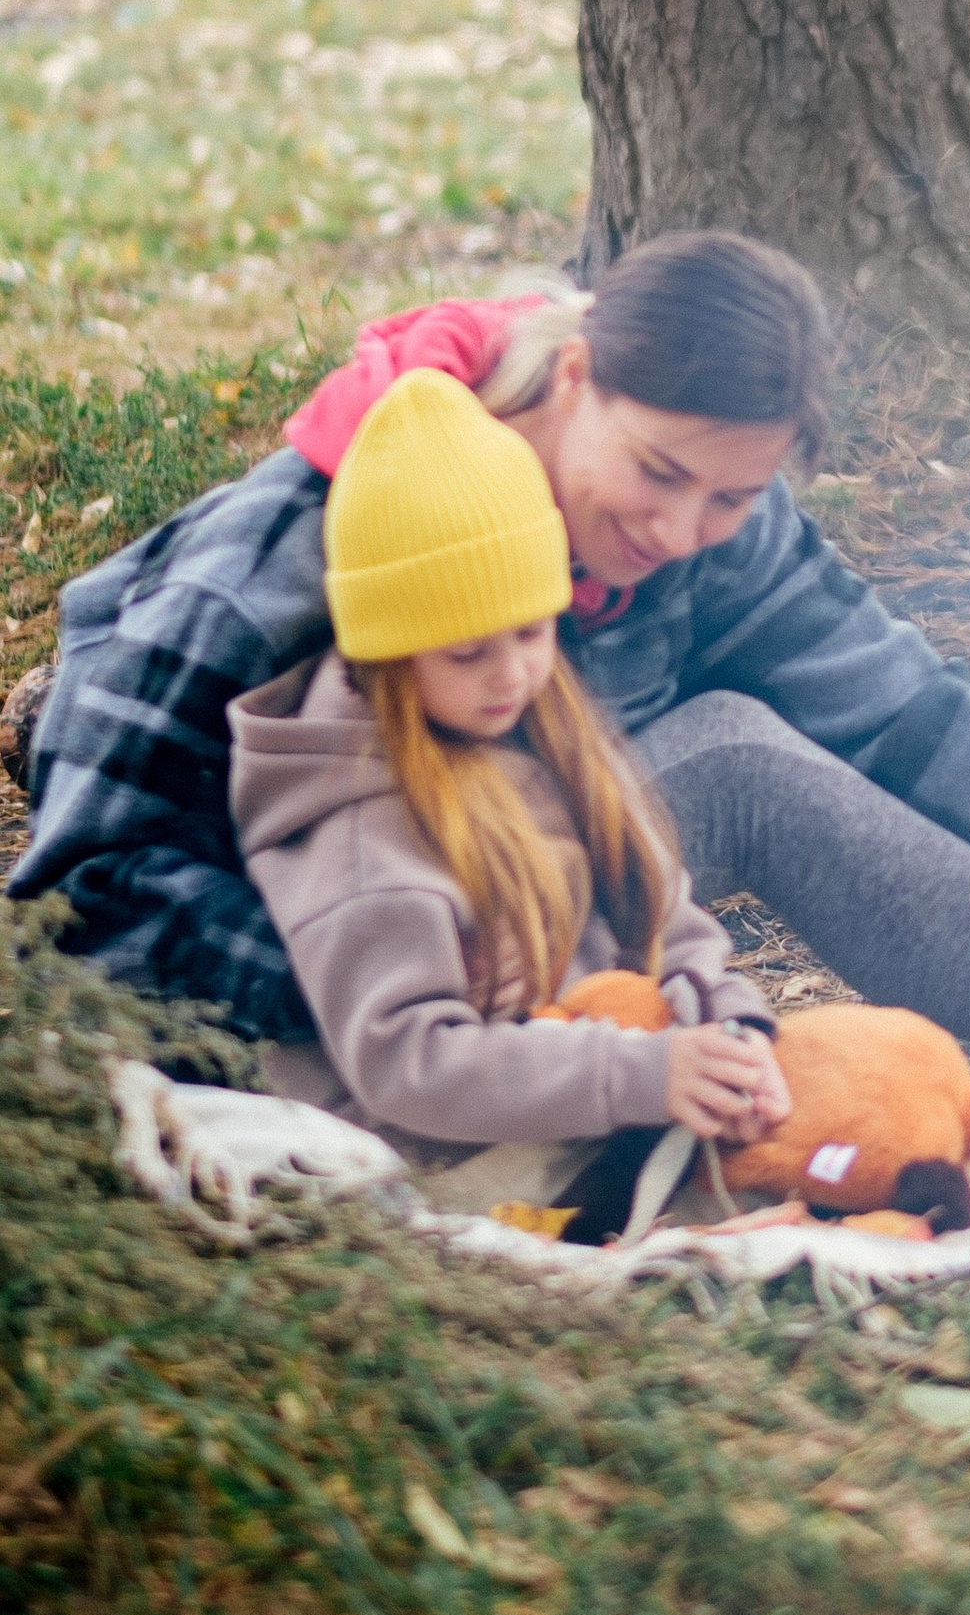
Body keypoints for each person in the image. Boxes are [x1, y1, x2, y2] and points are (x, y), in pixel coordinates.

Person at [14, 228, 970, 1171]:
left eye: (732, 498)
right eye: (658, 473)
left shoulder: (710, 532)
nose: (679, 533)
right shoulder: (292, 552)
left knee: (750, 744)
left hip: (517, 934)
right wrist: (389, 996)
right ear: (572, 382)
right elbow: (81, 895)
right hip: (331, 991)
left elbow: (917, 718)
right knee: (731, 756)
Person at [228, 366, 792, 1214]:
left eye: (530, 633)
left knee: (815, 1124)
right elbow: (411, 1065)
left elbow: (667, 921)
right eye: (466, 654)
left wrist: (731, 1028)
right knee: (731, 1200)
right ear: (390, 657)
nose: (511, 675)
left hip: (597, 1081)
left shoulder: (548, 727)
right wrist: (641, 1075)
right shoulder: (355, 826)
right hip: (437, 1160)